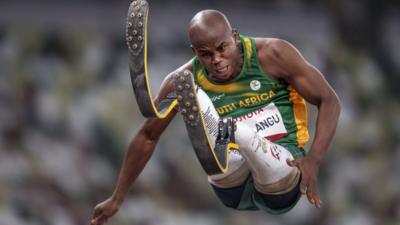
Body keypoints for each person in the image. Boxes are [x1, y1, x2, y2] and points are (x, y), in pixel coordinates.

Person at [91, 9, 340, 225]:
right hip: (231, 180)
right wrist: (117, 197)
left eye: (222, 49)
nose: (217, 60)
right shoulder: (186, 75)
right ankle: (207, 128)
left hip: (281, 171)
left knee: (235, 129)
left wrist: (315, 158)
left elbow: (329, 100)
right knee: (186, 89)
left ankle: (225, 132)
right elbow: (148, 135)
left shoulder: (273, 54)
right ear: (195, 52)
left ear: (235, 37)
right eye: (206, 54)